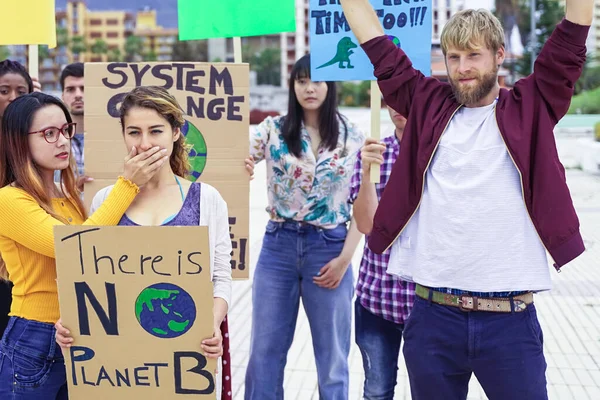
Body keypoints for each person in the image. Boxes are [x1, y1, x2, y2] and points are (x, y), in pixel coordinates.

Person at [341, 1, 592, 399]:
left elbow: (571, 37)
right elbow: (376, 45)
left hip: (509, 322)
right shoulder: (425, 103)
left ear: (498, 55)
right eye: (454, 57)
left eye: (474, 55)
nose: (463, 68)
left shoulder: (532, 106)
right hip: (432, 318)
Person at [54, 86, 235, 399]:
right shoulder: (106, 200)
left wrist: (210, 323)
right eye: (134, 132)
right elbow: (87, 276)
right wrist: (73, 322)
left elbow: (220, 275)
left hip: (182, 360)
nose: (145, 144)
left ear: (176, 132)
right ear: (123, 135)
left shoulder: (206, 199)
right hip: (119, 370)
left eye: (156, 131)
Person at [0, 92, 167, 399]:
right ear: (18, 141)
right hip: (35, 335)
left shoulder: (68, 197)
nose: (62, 141)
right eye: (48, 134)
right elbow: (74, 248)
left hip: (79, 333)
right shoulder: (10, 199)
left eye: (65, 130)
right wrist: (128, 183)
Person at [245, 54, 364, 400]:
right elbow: (237, 161)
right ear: (292, 85)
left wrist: (345, 259)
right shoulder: (272, 130)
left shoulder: (353, 137)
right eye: (301, 80)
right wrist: (242, 165)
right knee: (264, 352)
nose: (309, 88)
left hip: (329, 249)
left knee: (333, 358)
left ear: (331, 85)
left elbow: (363, 206)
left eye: (317, 80)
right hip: (278, 246)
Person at [350, 106, 415, 400]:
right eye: (391, 98)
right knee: (376, 391)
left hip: (430, 304)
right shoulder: (373, 153)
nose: (398, 105)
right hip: (377, 298)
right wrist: (366, 175)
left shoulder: (443, 151)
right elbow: (366, 225)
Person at [0, 60, 37, 339]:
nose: (13, 98)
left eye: (21, 92)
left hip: (21, 266)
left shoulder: (34, 143)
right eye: (4, 90)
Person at [54, 63, 90, 190]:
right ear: (62, 95)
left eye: (84, 88)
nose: (78, 94)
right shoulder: (53, 139)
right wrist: (73, 189)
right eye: (71, 89)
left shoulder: (109, 138)